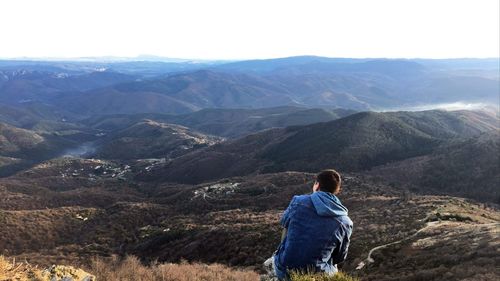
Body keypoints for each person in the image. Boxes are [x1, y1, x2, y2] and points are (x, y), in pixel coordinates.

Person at [271, 169, 353, 280]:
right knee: (332, 263)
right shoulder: (346, 222)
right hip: (316, 275)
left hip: (284, 269)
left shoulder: (298, 201)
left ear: (317, 185)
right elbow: (339, 257)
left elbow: (284, 224)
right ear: (337, 190)